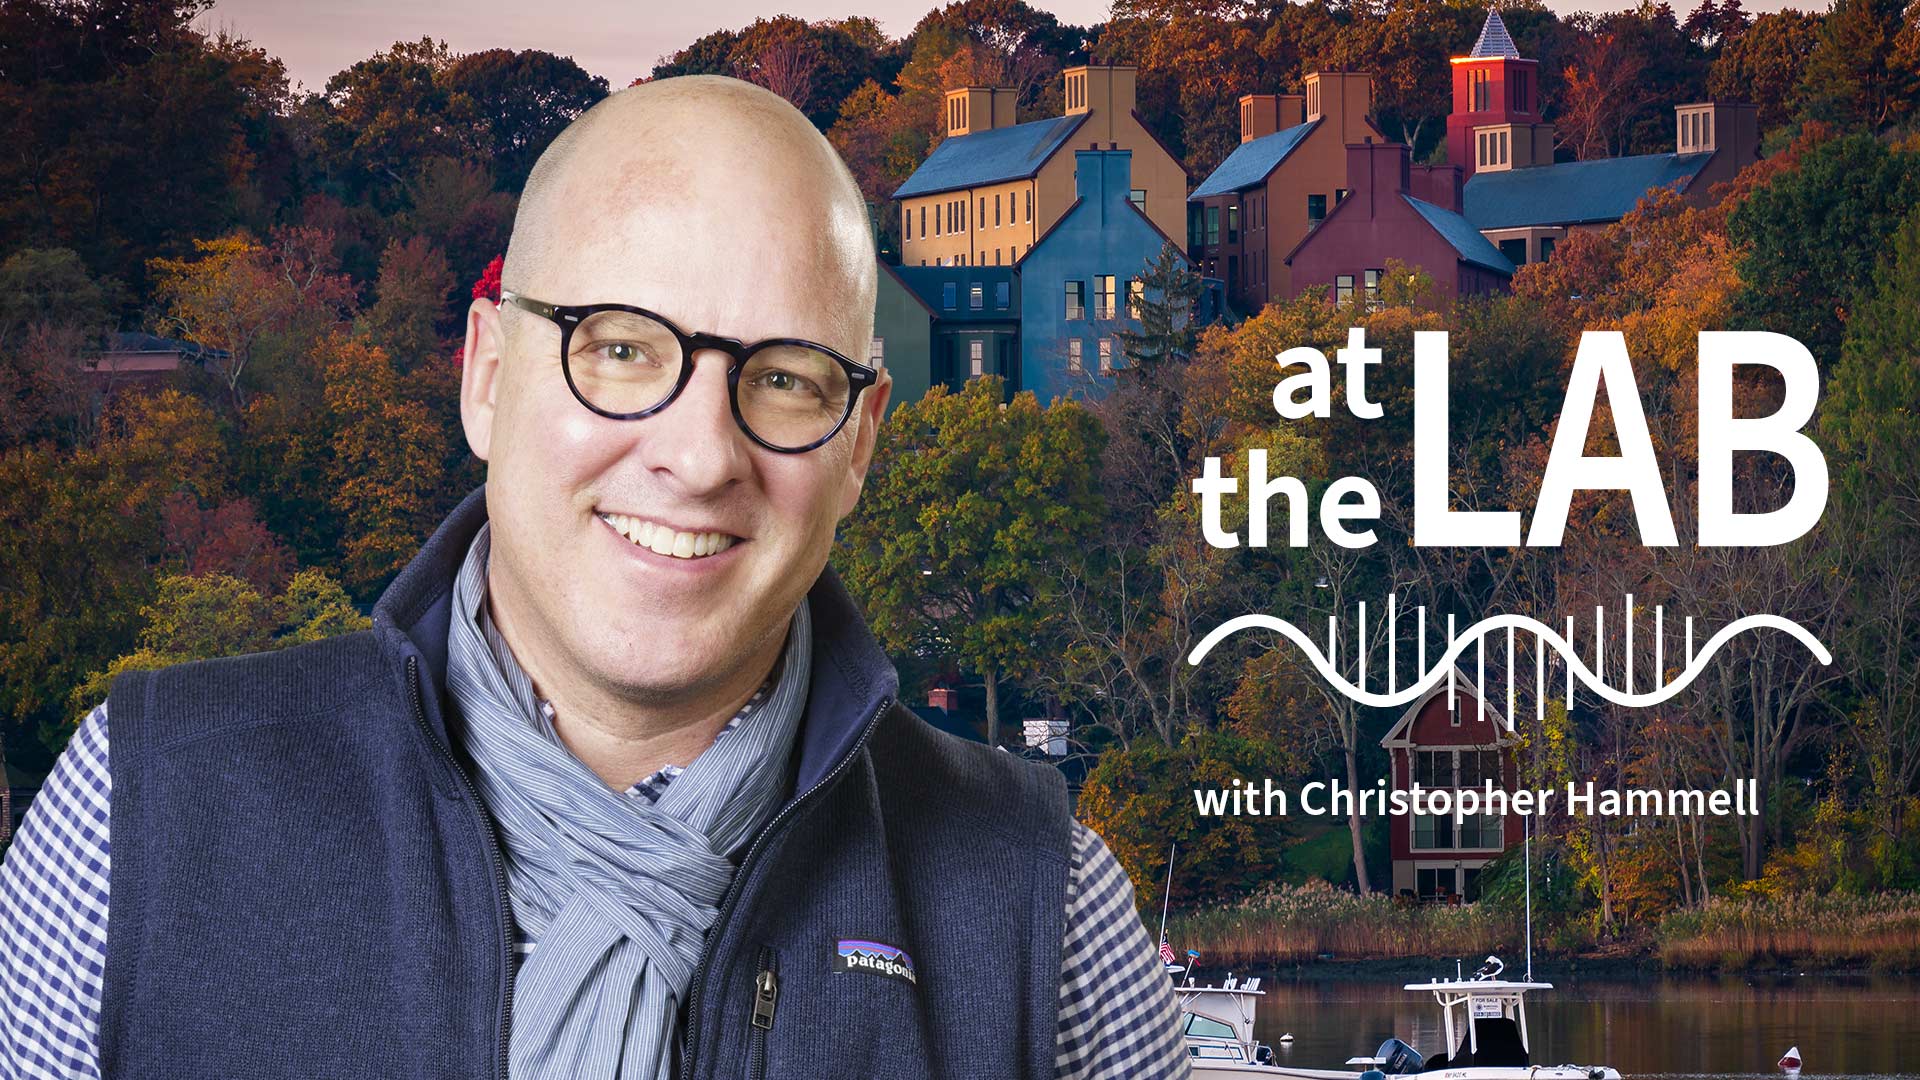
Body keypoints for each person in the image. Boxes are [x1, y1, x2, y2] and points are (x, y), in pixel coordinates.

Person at [0, 76, 1192, 1080]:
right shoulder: (139, 813)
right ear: (487, 376)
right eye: (621, 348)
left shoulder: (1047, 912)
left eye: (783, 377)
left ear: (859, 440)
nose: (699, 454)